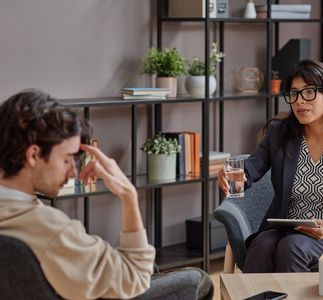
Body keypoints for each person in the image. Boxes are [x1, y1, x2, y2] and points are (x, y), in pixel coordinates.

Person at [0, 90, 213, 299]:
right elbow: (136, 279)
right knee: (199, 280)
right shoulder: (49, 229)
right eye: (67, 159)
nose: (74, 171)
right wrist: (129, 195)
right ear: (34, 155)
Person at [217, 60, 323, 273]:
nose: (300, 101)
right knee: (261, 246)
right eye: (294, 94)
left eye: (308, 92)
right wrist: (235, 175)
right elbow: (250, 168)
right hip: (285, 228)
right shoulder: (279, 133)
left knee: (292, 247)